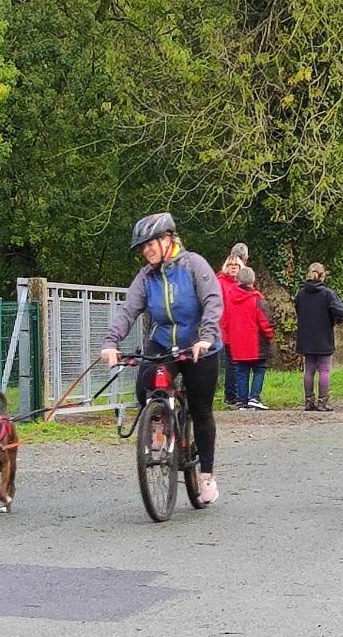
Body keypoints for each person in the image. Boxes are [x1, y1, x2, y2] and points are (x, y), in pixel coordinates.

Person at [100, 212, 223, 503]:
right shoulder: (146, 277)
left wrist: (206, 337)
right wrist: (110, 342)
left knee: (201, 409)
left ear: (168, 239)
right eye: (142, 247)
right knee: (145, 384)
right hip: (165, 340)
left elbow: (212, 301)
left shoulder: (194, 264)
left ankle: (206, 476)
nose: (146, 250)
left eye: (150, 244)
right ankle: (159, 427)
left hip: (199, 344)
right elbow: (128, 310)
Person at [294, 262, 343, 411]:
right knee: (324, 370)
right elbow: (339, 311)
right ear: (323, 275)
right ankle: (323, 402)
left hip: (306, 336)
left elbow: (298, 309)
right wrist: (336, 320)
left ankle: (309, 401)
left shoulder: (301, 293)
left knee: (309, 370)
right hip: (323, 336)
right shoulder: (327, 294)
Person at [222, 266, 275, 409]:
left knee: (241, 372)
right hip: (256, 343)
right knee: (259, 369)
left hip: (237, 344)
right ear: (253, 281)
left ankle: (242, 401)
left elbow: (225, 322)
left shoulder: (230, 300)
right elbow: (265, 322)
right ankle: (254, 397)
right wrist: (270, 336)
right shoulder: (257, 299)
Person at [215, 254, 242, 405]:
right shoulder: (220, 282)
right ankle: (230, 395)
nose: (233, 267)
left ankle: (235, 394)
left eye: (236, 265)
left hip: (237, 327)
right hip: (223, 326)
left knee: (236, 362)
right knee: (226, 362)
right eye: (231, 265)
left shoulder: (242, 283)